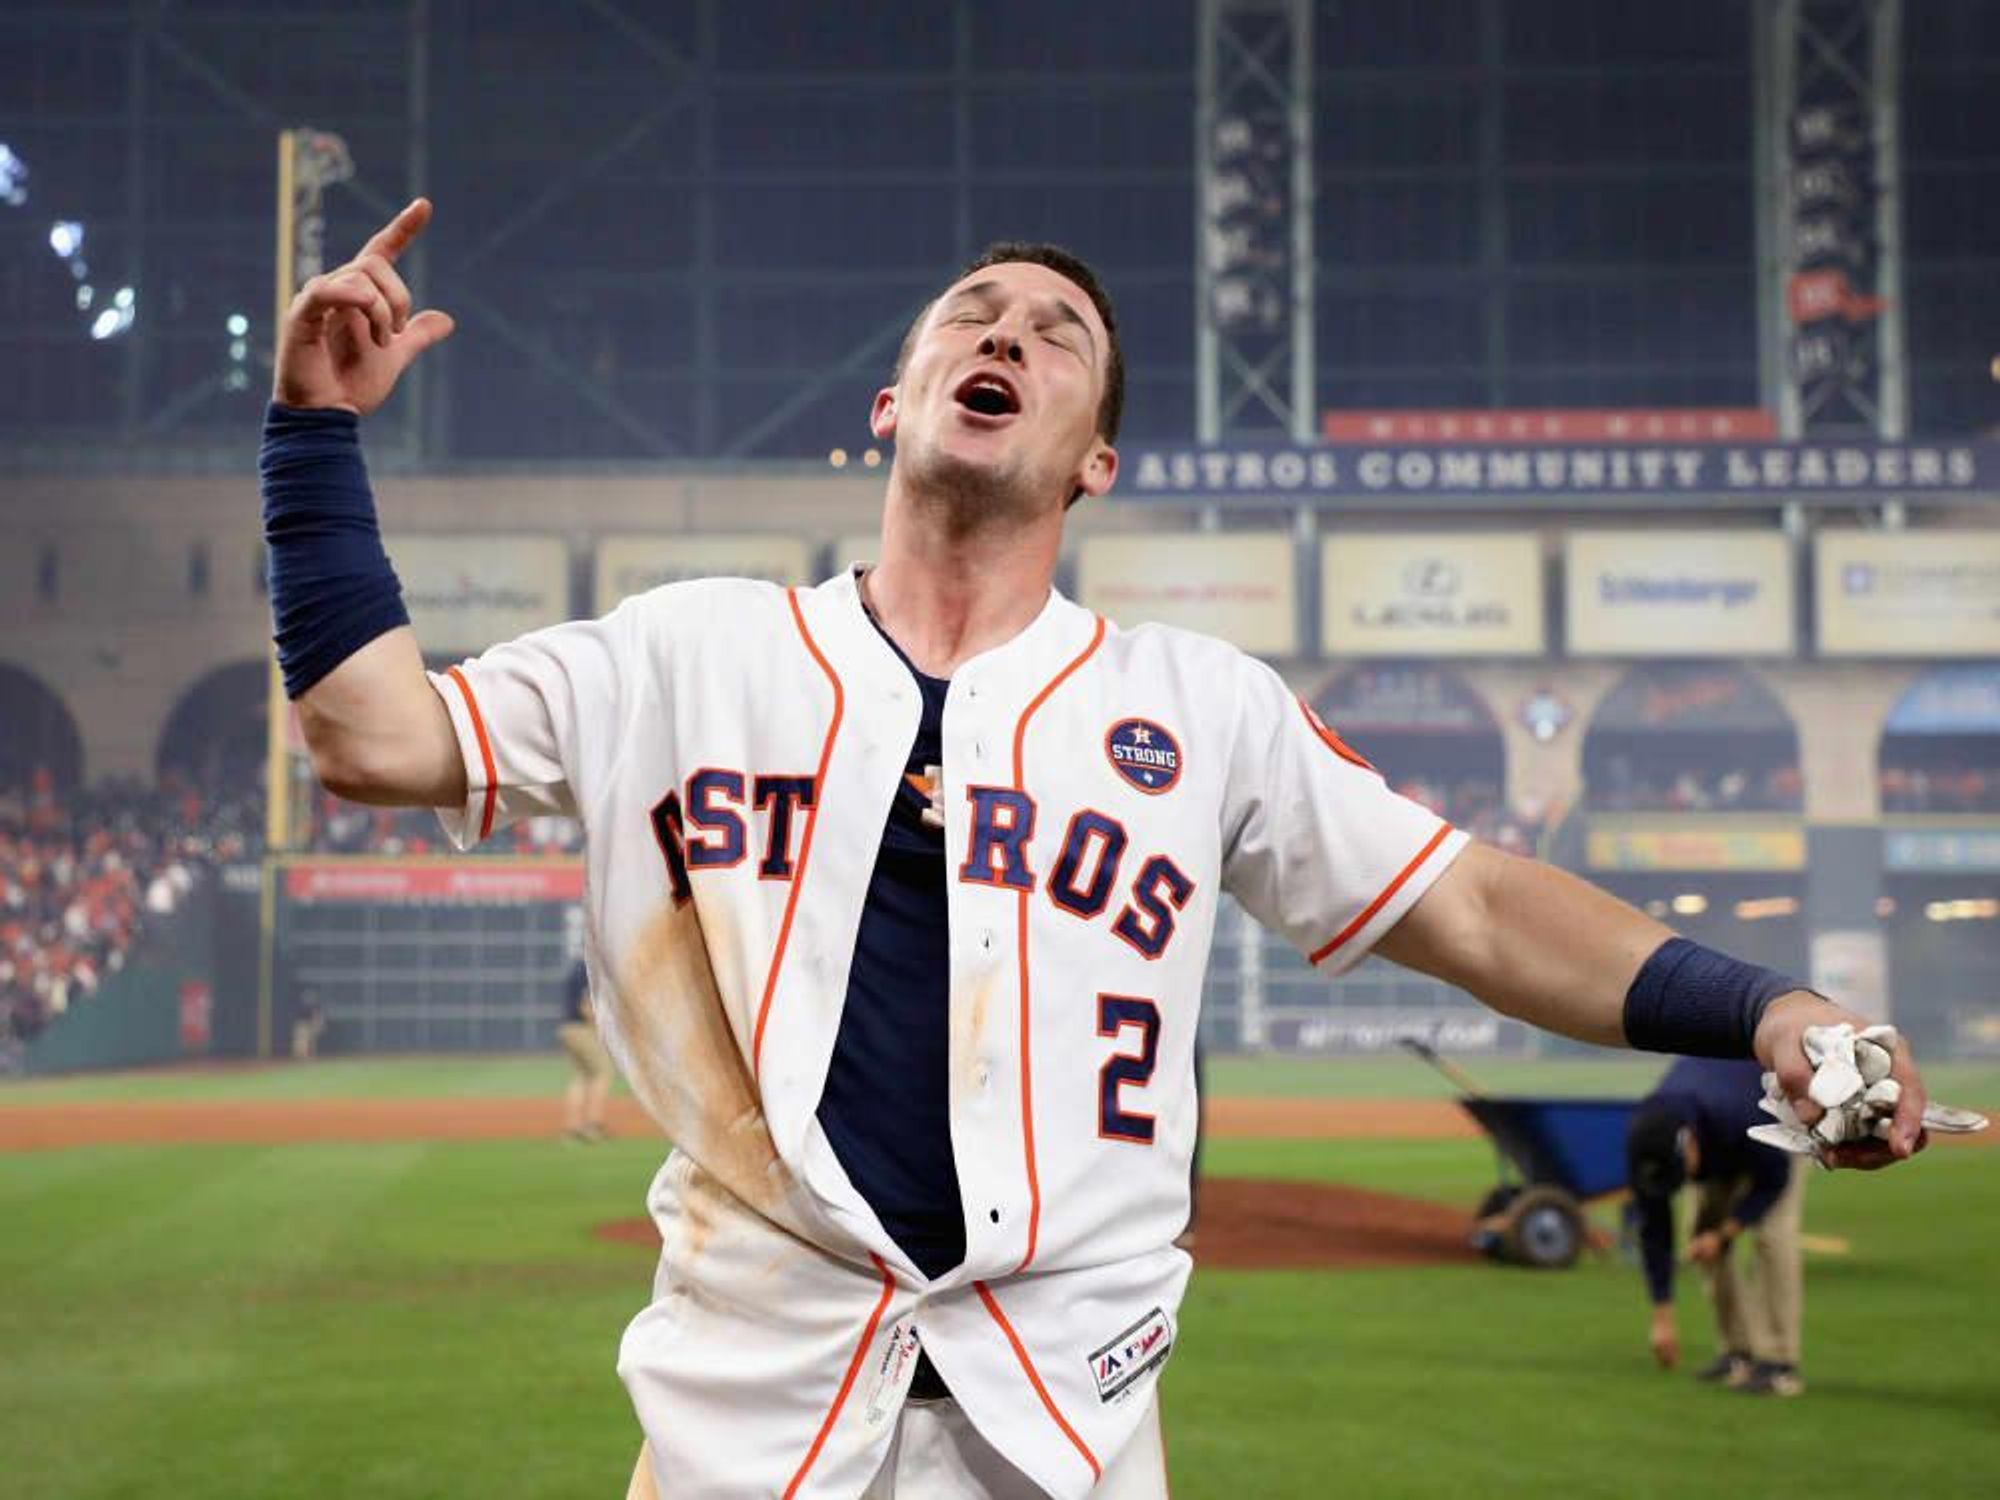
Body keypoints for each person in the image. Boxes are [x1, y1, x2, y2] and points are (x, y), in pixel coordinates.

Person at [260, 198, 1930, 1500]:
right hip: (743, 1421)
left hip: (1060, 1426)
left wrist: (1763, 1005)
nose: (1009, 331)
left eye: (1057, 335)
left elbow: (1478, 907)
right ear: (895, 402)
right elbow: (372, 737)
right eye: (971, 316)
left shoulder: (1197, 707)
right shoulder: (687, 655)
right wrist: (314, 435)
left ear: (1096, 461)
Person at [1627, 1056, 1806, 1396]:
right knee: (1699, 1234)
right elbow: (1655, 1229)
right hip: (1720, 1140)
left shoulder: (1735, 1117)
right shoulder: (1645, 1142)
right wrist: (1662, 1315)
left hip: (1774, 1128)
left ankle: (1778, 1364)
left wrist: (1727, 1231)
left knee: (1772, 1237)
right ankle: (1738, 1352)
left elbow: (1774, 1179)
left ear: (1690, 1144)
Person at [559, 952, 612, 1141]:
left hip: (567, 1028)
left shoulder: (574, 969)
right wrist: (599, 1029)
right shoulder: (586, 969)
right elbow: (586, 1005)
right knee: (602, 1073)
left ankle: (573, 1128)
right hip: (581, 1028)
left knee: (581, 1076)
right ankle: (594, 1126)